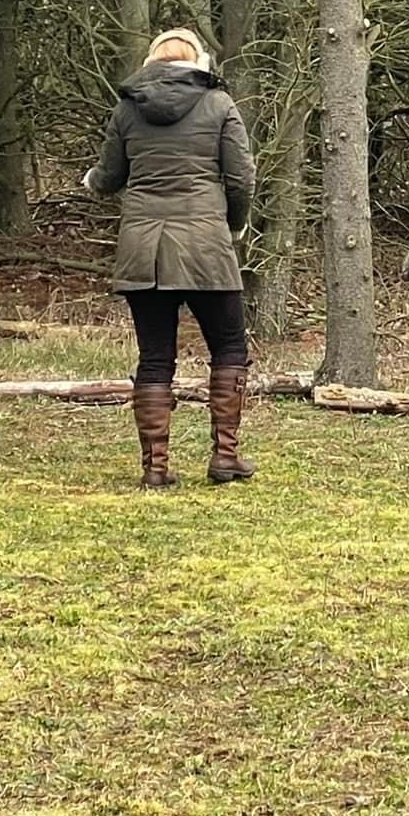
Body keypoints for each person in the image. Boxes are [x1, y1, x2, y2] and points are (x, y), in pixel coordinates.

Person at [84, 28, 258, 488]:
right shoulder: (220, 104)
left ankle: (155, 468)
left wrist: (91, 181)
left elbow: (110, 176)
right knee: (229, 348)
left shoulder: (127, 108)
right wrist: (234, 223)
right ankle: (225, 456)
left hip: (144, 246)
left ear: (153, 62)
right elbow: (242, 177)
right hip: (205, 243)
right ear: (197, 61)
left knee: (155, 358)